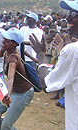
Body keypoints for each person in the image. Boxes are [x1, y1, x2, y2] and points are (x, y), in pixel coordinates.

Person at [28, 0, 78, 129]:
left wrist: (40, 55)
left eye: (73, 14)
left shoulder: (73, 50)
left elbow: (46, 84)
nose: (67, 18)